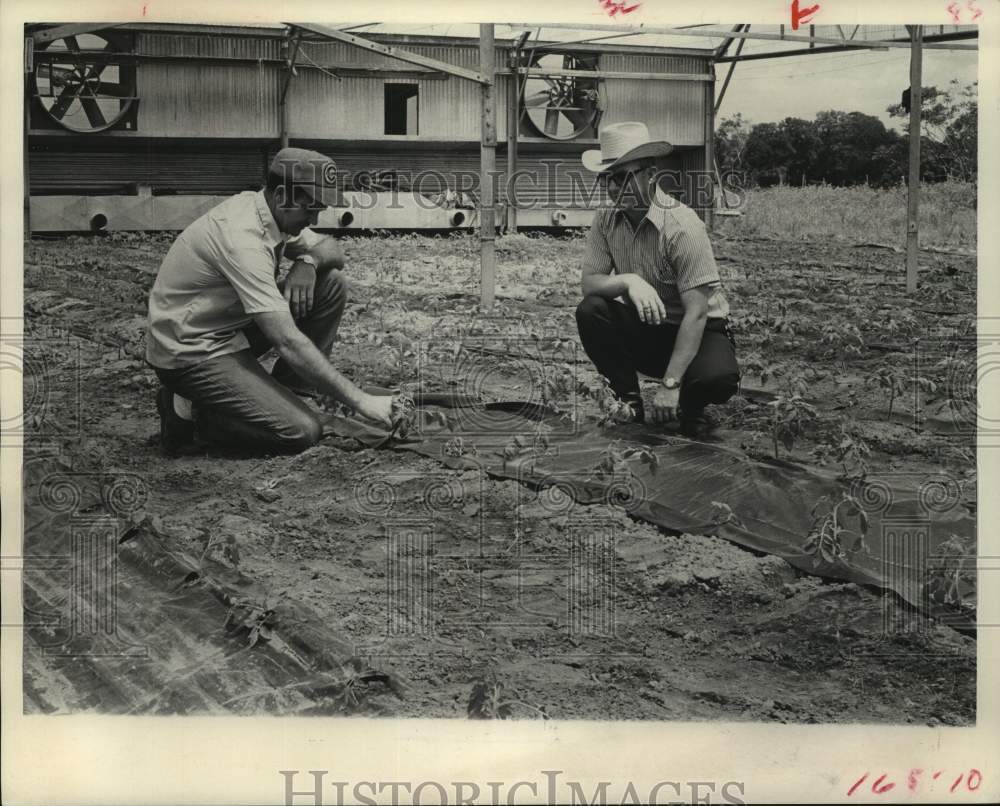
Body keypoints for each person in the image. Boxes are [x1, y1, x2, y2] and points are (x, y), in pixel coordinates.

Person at [146, 147, 395, 455]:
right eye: (311, 209)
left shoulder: (268, 211)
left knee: (329, 283)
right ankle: (191, 414)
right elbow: (287, 341)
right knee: (301, 431)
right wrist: (361, 401)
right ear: (281, 196)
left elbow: (333, 251)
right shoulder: (241, 237)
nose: (315, 217)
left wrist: (307, 261)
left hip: (226, 329)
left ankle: (290, 394)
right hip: (191, 353)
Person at [575, 121, 740, 437]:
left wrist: (669, 384)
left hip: (701, 330)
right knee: (591, 309)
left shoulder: (682, 226)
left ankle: (691, 405)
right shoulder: (606, 219)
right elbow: (590, 283)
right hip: (653, 326)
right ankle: (629, 403)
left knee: (715, 379)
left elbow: (698, 313)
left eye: (622, 177)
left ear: (651, 176)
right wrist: (628, 282)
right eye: (606, 178)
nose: (612, 188)